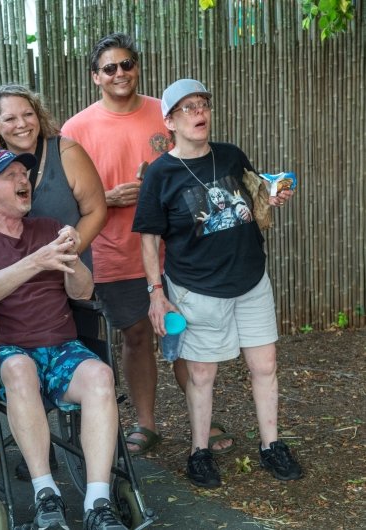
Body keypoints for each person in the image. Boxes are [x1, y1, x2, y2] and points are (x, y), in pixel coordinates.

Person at [61, 32, 235, 456]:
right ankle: (146, 423)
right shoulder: (76, 128)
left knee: (186, 337)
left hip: (177, 251)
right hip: (114, 251)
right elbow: (67, 195)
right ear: (95, 77)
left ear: (136, 68)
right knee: (137, 337)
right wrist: (106, 196)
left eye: (127, 64)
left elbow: (199, 163)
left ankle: (202, 422)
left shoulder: (166, 113)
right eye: (110, 68)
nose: (120, 73)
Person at [132, 78, 302, 488]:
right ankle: (199, 452)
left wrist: (272, 194)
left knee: (265, 365)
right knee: (202, 374)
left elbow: (254, 191)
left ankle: (271, 445)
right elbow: (149, 239)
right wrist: (157, 294)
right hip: (197, 288)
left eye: (203, 104)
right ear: (169, 121)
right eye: (188, 108)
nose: (199, 113)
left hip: (250, 279)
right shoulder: (160, 173)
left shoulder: (229, 156)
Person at [0, 149, 126, 530]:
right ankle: (47, 495)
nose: (23, 180)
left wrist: (72, 258)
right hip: (3, 348)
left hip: (60, 344)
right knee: (19, 368)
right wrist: (37, 262)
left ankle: (98, 502)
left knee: (100, 376)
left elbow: (81, 293)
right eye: (10, 175)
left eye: (24, 174)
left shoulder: (48, 228)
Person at [0, 84, 107, 478]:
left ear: (38, 114)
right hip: (11, 284)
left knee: (70, 349)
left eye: (27, 114)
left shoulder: (66, 152)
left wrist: (71, 248)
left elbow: (95, 209)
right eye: (10, 117)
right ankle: (42, 454)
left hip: (65, 267)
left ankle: (81, 451)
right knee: (23, 360)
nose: (21, 123)